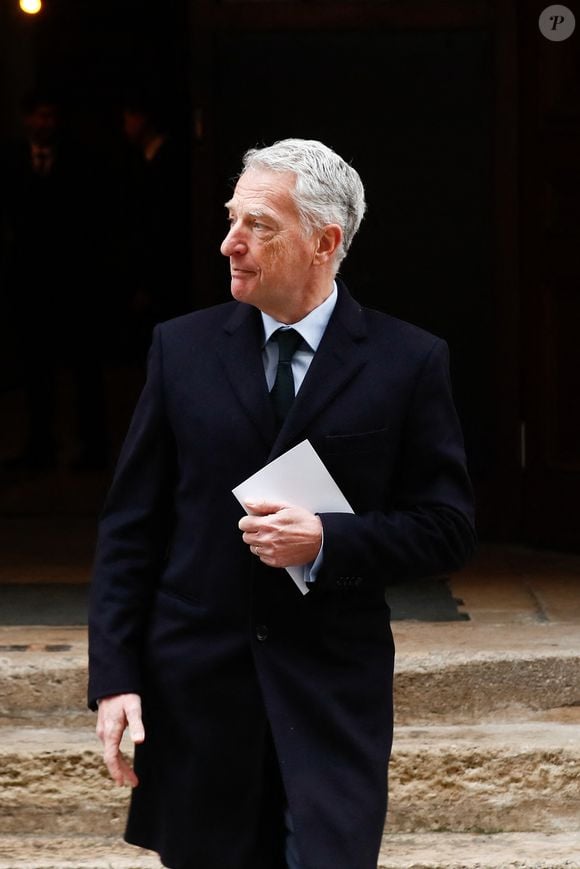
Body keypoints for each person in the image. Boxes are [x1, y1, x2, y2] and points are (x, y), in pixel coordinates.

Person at [88, 138, 476, 869]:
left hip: (330, 689)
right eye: (234, 219)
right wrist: (115, 676)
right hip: (199, 687)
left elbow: (447, 528)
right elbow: (130, 529)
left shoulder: (409, 359)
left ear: (324, 241)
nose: (230, 242)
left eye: (258, 225)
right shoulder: (181, 350)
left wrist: (329, 539)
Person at [0, 89, 109, 471]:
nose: (44, 124)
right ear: (26, 119)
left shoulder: (80, 159)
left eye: (50, 116)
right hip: (28, 282)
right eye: (38, 116)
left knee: (85, 368)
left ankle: (94, 446)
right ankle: (39, 445)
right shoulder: (11, 159)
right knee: (36, 368)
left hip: (73, 281)